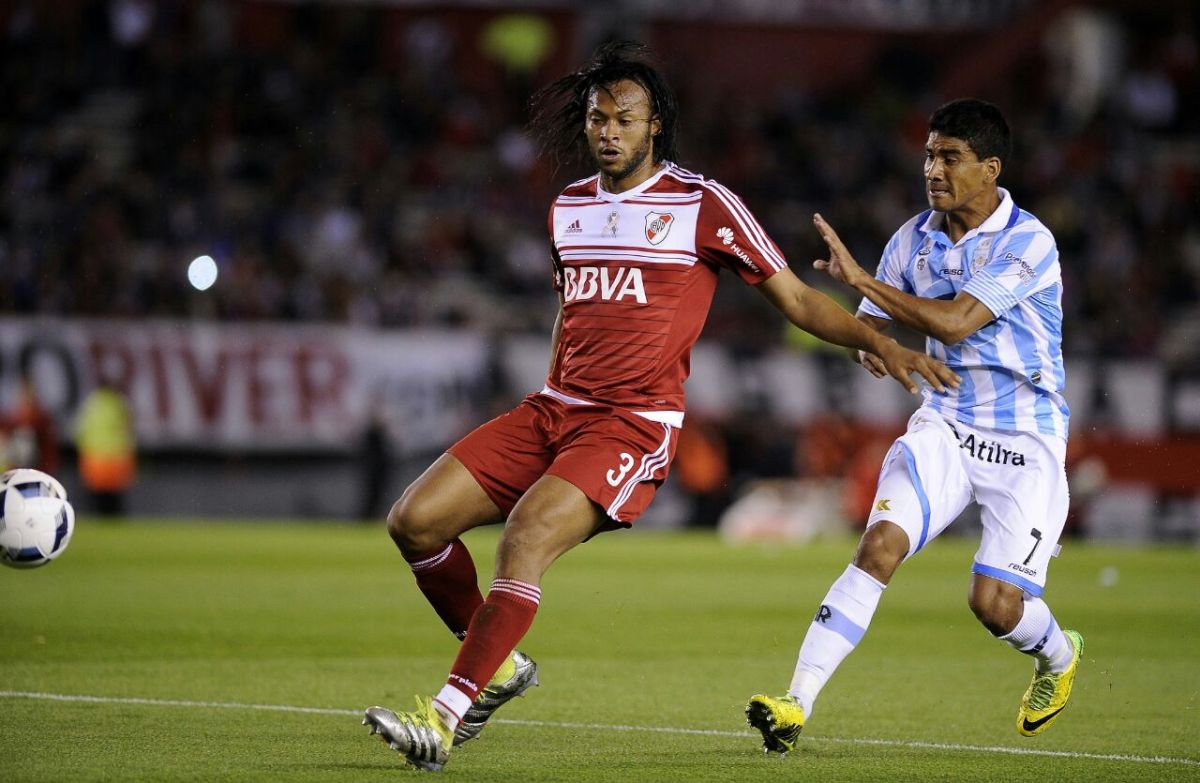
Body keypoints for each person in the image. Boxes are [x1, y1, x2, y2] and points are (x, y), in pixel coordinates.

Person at [362, 41, 958, 772]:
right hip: (552, 409)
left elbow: (796, 297)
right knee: (413, 521)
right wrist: (552, 392)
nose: (608, 131)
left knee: (524, 538)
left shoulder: (701, 204)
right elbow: (571, 309)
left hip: (631, 423)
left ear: (654, 128)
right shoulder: (568, 208)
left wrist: (880, 341)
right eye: (596, 118)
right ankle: (501, 664)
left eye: (624, 118)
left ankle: (444, 718)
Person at [746, 98, 1082, 753]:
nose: (933, 168)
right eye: (930, 154)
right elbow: (869, 324)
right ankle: (795, 703)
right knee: (878, 546)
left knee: (994, 607)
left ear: (989, 169)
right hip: (946, 426)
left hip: (1026, 440)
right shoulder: (913, 237)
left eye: (949, 157)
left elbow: (955, 320)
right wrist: (868, 338)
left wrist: (865, 282)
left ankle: (1059, 655)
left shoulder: (1028, 241)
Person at [74, 378, 136, 516]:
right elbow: (128, 428)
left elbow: (80, 432)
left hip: (94, 459)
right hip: (117, 459)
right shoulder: (118, 403)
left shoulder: (90, 405)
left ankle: (95, 521)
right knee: (115, 498)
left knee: (95, 498)